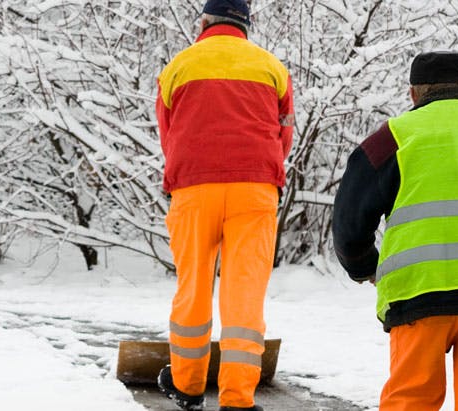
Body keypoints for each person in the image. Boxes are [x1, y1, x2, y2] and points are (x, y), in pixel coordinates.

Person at [331, 51, 458, 411]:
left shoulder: (396, 136)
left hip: (422, 291)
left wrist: (363, 264)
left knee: (411, 400)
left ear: (414, 94)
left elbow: (350, 212)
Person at [153, 1, 294, 410]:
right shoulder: (272, 68)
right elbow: (282, 136)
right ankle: (237, 398)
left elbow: (168, 133)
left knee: (193, 288)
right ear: (246, 25)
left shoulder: (179, 66)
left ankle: (188, 385)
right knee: (245, 294)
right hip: (255, 190)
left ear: (204, 22)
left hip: (195, 190)